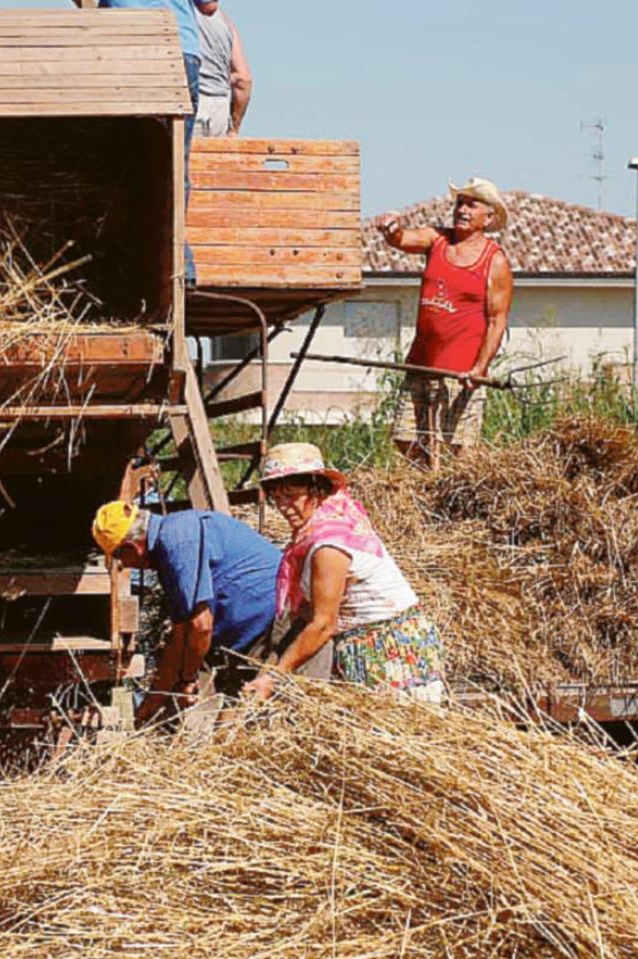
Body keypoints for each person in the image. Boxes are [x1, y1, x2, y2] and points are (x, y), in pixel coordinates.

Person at [243, 443, 443, 701]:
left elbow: (324, 624)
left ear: (315, 489)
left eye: (291, 495)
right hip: (366, 641)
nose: (283, 506)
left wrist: (275, 675)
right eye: (277, 498)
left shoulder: (329, 545)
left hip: (385, 647)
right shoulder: (320, 528)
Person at [92, 501, 316, 723]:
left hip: (273, 629)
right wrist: (154, 700)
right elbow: (180, 636)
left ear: (132, 547)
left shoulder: (178, 539)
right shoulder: (170, 544)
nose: (126, 565)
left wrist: (187, 679)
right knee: (229, 730)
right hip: (249, 636)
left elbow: (200, 626)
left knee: (241, 732)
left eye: (121, 559)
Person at [373, 178, 514, 466]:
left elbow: (496, 321)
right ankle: (429, 479)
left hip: (462, 374)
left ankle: (452, 493)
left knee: (459, 449)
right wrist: (391, 229)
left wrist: (480, 368)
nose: (462, 209)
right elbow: (402, 239)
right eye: (460, 203)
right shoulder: (436, 240)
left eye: (471, 205)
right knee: (405, 437)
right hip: (421, 363)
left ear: (488, 217)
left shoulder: (494, 261)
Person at [97, 0, 202, 279]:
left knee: (122, 160)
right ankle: (180, 262)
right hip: (179, 49)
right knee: (175, 162)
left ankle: (122, 258)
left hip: (122, 46)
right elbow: (210, 7)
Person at [193, 1, 252, 137]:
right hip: (220, 110)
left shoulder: (180, 16)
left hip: (194, 103)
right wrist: (234, 129)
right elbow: (243, 79)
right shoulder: (226, 24)